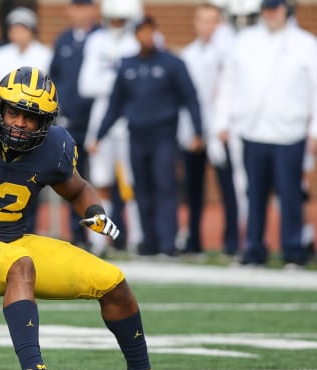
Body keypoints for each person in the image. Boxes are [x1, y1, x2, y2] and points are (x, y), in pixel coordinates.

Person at [0, 66, 177, 370]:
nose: (19, 122)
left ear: (45, 122)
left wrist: (94, 211)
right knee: (21, 266)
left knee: (113, 283)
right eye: (13, 112)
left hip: (15, 241)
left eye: (30, 117)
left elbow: (77, 187)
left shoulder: (55, 147)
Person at [213, 0, 317, 267]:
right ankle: (254, 249)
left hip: (289, 132)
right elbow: (229, 82)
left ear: (286, 10)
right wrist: (222, 121)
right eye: (267, 9)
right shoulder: (246, 41)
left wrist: (314, 129)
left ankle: (293, 250)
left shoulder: (305, 44)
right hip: (251, 130)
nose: (271, 14)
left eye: (276, 9)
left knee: (290, 194)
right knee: (254, 194)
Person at [96, 16, 203, 257]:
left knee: (165, 186)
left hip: (164, 135)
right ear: (135, 36)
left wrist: (198, 131)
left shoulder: (172, 64)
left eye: (149, 32)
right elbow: (115, 105)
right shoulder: (127, 65)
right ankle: (149, 242)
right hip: (137, 136)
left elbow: (190, 98)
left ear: (155, 32)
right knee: (141, 188)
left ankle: (168, 242)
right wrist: (98, 136)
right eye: (141, 32)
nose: (146, 37)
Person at [78, 0, 144, 256]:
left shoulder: (139, 40)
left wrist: (120, 86)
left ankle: (137, 238)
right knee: (100, 180)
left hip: (130, 120)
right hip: (101, 119)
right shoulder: (96, 41)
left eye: (123, 20)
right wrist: (119, 86)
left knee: (132, 181)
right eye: (114, 19)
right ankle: (98, 239)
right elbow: (86, 85)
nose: (118, 25)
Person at [177, 3, 239, 257]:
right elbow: (186, 99)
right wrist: (192, 132)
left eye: (212, 21)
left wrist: (221, 127)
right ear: (195, 23)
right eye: (202, 20)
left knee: (229, 189)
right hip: (195, 133)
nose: (207, 26)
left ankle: (232, 242)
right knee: (193, 191)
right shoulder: (189, 54)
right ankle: (194, 242)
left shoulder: (229, 52)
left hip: (221, 131)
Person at [0, 7, 53, 233]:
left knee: (31, 177)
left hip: (33, 124)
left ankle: (29, 229)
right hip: (5, 125)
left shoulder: (45, 54)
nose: (19, 33)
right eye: (15, 28)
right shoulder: (1, 54)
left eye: (24, 28)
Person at [48, 0, 100, 248]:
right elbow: (54, 79)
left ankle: (104, 235)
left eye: (84, 6)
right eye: (76, 6)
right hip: (70, 121)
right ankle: (77, 234)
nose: (80, 12)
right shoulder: (64, 40)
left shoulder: (102, 38)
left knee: (100, 179)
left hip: (98, 122)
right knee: (71, 177)